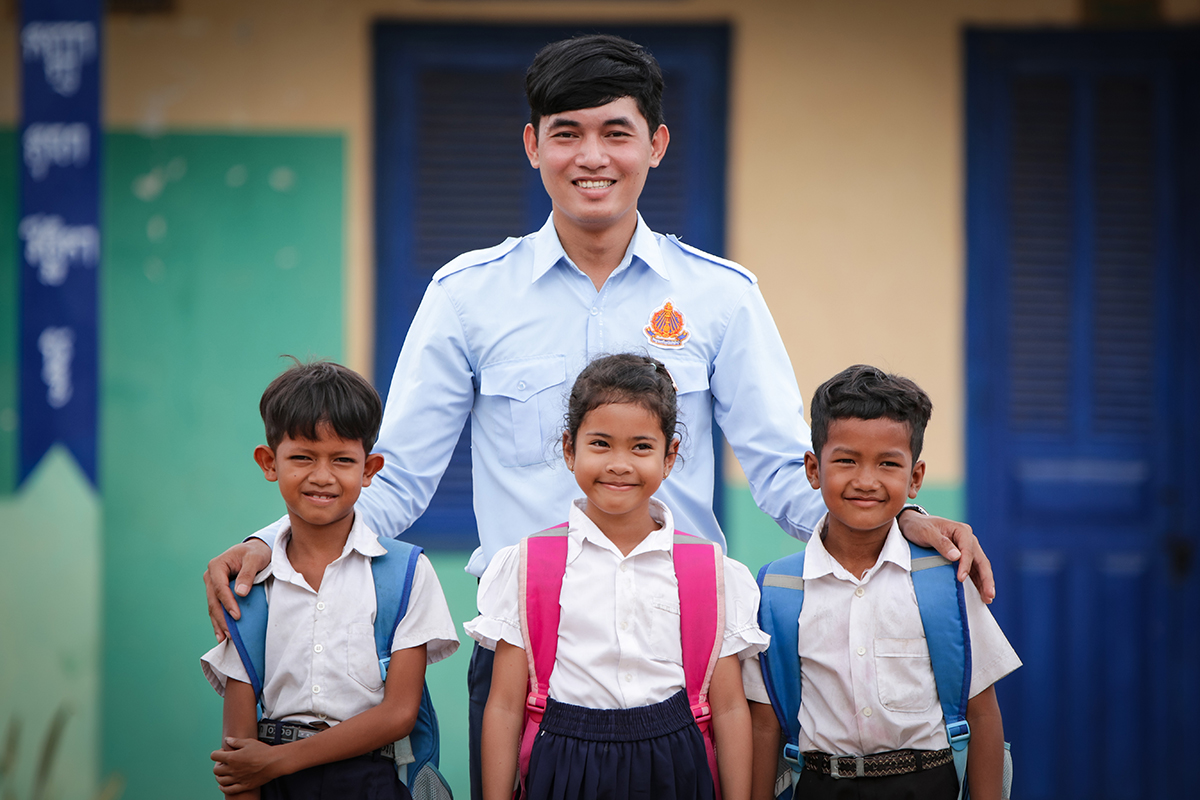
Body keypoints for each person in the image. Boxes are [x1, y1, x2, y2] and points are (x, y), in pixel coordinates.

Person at [203, 34, 995, 799]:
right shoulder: (467, 295)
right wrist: (269, 546)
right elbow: (396, 479)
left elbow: (792, 479)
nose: (591, 157)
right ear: (532, 145)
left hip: (686, 658)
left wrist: (905, 522)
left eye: (616, 132)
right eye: (566, 134)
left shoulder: (722, 297)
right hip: (525, 655)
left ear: (655, 144)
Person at [470, 353, 762, 800]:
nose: (620, 464)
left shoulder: (712, 572)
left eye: (641, 446)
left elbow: (727, 708)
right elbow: (506, 705)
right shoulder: (527, 565)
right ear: (570, 449)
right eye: (601, 444)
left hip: (675, 763)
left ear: (670, 456)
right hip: (564, 764)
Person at [746, 365, 1019, 800]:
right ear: (814, 470)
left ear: (915, 478)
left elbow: (982, 713)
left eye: (888, 463)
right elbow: (764, 723)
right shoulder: (777, 590)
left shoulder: (946, 579)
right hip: (819, 785)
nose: (866, 480)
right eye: (846, 460)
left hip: (928, 783)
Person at [200, 359, 459, 799]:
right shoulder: (247, 584)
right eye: (302, 457)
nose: (322, 476)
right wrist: (263, 768)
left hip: (370, 781)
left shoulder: (406, 573)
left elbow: (399, 714)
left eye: (342, 459)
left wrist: (277, 760)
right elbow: (238, 750)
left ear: (369, 469)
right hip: (275, 784)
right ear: (269, 462)